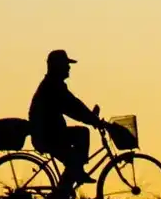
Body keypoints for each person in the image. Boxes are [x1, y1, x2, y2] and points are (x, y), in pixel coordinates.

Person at [28, 49, 106, 190]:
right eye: (66, 64)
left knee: (74, 160)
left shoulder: (53, 84)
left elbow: (74, 105)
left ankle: (65, 189)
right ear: (57, 66)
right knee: (81, 136)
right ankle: (71, 181)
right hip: (48, 137)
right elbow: (72, 107)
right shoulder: (53, 86)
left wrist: (91, 118)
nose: (69, 68)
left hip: (51, 134)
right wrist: (93, 120)